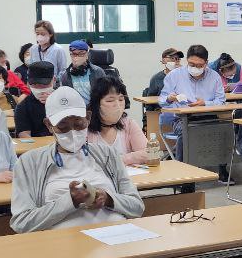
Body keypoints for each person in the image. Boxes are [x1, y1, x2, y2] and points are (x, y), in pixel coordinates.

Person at [10, 87, 144, 233]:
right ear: (49, 125)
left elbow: (137, 206)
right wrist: (69, 202)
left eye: (79, 124)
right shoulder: (30, 162)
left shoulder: (107, 154)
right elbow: (21, 223)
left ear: (88, 117)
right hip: (64, 246)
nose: (72, 131)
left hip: (116, 237)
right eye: (63, 126)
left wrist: (109, 199)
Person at [88, 76, 150, 166]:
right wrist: (132, 158)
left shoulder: (129, 124)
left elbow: (149, 154)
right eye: (110, 100)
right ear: (97, 104)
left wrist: (119, 160)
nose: (117, 105)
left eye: (121, 99)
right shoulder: (85, 128)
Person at [13, 61, 55, 138]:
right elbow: (24, 134)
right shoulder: (23, 106)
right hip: (38, 147)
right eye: (35, 85)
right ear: (28, 83)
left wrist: (55, 103)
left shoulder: (64, 100)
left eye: (44, 85)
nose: (40, 89)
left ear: (54, 80)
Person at [28, 19, 68, 84]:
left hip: (53, 85)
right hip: (36, 85)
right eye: (37, 34)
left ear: (50, 34)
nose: (39, 36)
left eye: (43, 34)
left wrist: (56, 80)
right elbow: (31, 68)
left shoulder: (58, 49)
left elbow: (63, 71)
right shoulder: (33, 49)